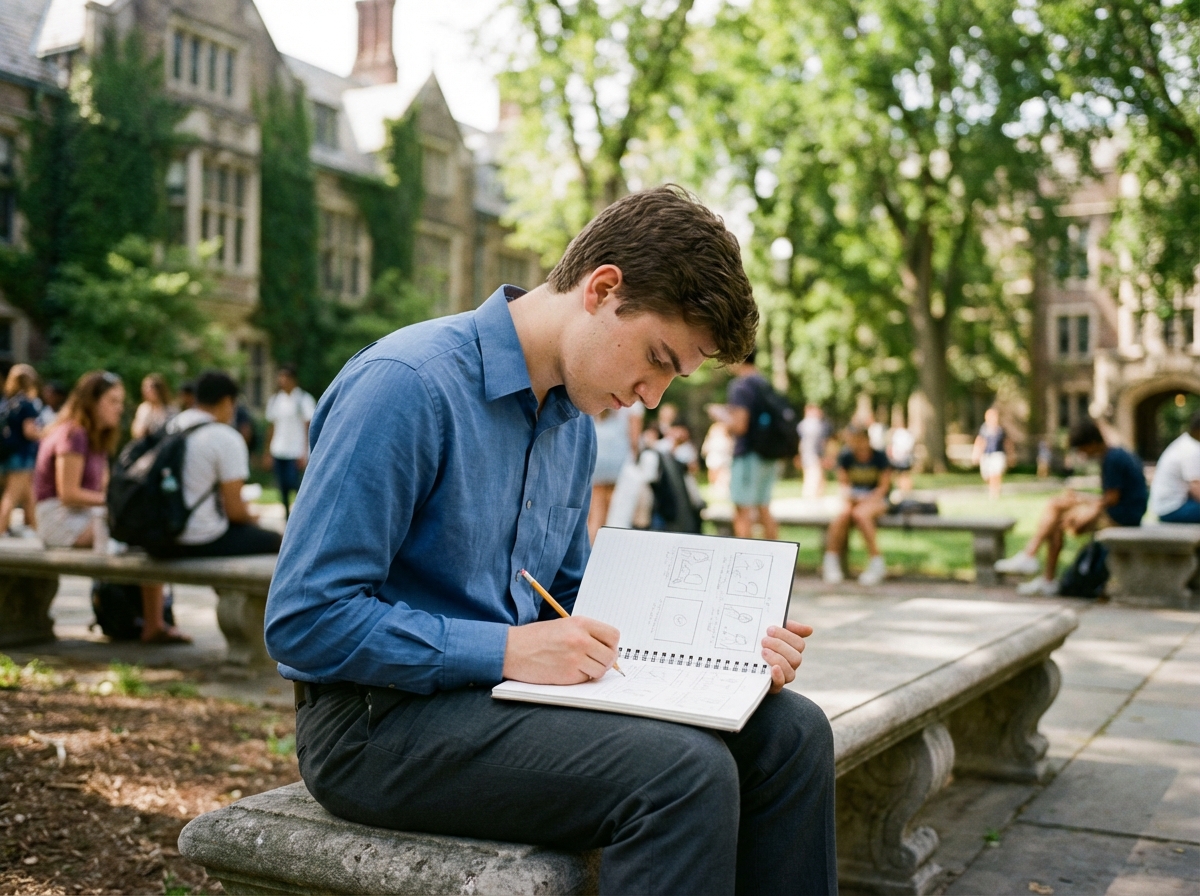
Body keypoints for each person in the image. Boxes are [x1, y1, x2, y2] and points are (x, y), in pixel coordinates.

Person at [264, 187, 836, 896]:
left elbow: (569, 598)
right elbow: (305, 620)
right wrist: (506, 650)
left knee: (792, 735)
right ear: (602, 289)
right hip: (374, 725)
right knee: (681, 774)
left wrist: (723, 652)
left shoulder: (572, 424)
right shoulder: (407, 386)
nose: (653, 396)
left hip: (505, 700)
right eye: (658, 359)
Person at [35, 371, 189, 643]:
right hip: (58, 518)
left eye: (120, 401)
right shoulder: (73, 434)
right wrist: (114, 503)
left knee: (141, 526)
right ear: (91, 402)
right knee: (139, 531)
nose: (119, 408)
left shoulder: (97, 437)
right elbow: (68, 494)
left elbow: (103, 490)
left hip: (83, 515)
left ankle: (153, 620)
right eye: (112, 401)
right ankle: (153, 622)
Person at [996, 418, 1147, 595]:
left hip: (1123, 518)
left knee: (1055, 511)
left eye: (1082, 448)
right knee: (1056, 511)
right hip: (1127, 512)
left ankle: (1034, 561)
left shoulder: (1112, 459)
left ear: (1092, 442)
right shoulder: (1116, 454)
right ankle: (1039, 569)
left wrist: (1089, 510)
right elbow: (1113, 496)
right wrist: (1081, 498)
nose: (1082, 453)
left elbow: (1112, 499)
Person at [152, 371, 282, 558]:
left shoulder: (172, 425)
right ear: (228, 401)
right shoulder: (226, 437)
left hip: (163, 535)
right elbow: (235, 512)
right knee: (279, 540)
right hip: (202, 538)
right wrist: (252, 516)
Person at [722, 349, 780, 540]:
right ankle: (777, 555)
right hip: (768, 453)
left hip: (748, 454)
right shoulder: (764, 383)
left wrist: (722, 418)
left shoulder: (740, 386)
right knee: (763, 508)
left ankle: (741, 555)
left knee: (742, 509)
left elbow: (740, 426)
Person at [824, 423, 892, 586]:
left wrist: (866, 499)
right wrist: (852, 497)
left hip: (876, 500)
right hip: (853, 499)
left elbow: (884, 487)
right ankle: (831, 560)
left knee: (861, 515)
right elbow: (843, 485)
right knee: (842, 515)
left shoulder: (879, 457)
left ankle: (876, 561)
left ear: (866, 440)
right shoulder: (846, 457)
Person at [263, 365, 315, 519]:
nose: (282, 381)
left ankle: (304, 515)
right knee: (282, 487)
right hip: (279, 449)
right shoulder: (275, 400)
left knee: (295, 484)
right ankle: (287, 517)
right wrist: (267, 452)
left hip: (295, 451)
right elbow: (272, 427)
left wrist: (305, 451)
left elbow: (308, 427)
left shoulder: (303, 399)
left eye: (285, 377)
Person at [588, 402, 644, 541]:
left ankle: (590, 549)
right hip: (617, 461)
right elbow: (634, 438)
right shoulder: (634, 404)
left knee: (596, 512)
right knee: (614, 513)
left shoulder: (604, 395)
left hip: (597, 458)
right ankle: (606, 549)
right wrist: (636, 459)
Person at [0, 364, 44, 536]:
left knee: (29, 496)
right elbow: (29, 431)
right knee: (11, 496)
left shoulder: (8, 403)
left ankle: (37, 530)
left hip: (7, 454)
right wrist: (46, 432)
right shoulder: (27, 404)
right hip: (22, 456)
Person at [1149, 411, 1200, 523]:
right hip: (1172, 508)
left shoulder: (1186, 442)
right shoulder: (1192, 449)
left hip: (1166, 506)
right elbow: (1196, 488)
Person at [972, 407, 1010, 500]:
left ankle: (995, 492)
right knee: (987, 476)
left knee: (996, 473)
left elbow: (1007, 443)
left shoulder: (1001, 430)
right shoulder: (984, 429)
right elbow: (980, 441)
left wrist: (1010, 454)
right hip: (986, 455)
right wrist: (976, 453)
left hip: (998, 454)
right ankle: (993, 488)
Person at [797, 404, 829, 498]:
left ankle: (811, 496)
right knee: (814, 477)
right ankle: (812, 498)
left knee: (811, 476)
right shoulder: (815, 425)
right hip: (813, 454)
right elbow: (821, 442)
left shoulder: (802, 425)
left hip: (808, 454)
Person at [130, 374, 175, 439]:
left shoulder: (170, 409)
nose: (146, 391)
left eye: (150, 388)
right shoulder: (143, 409)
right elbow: (137, 432)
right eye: (144, 388)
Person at [700, 418, 734, 502]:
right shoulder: (711, 439)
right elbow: (705, 449)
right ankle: (714, 487)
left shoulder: (726, 438)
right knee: (713, 473)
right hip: (714, 458)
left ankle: (723, 489)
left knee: (724, 474)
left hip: (723, 459)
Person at [887, 422, 915, 495]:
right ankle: (903, 489)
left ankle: (906, 489)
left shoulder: (904, 434)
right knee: (901, 474)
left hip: (903, 456)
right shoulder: (900, 433)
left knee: (904, 474)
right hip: (900, 456)